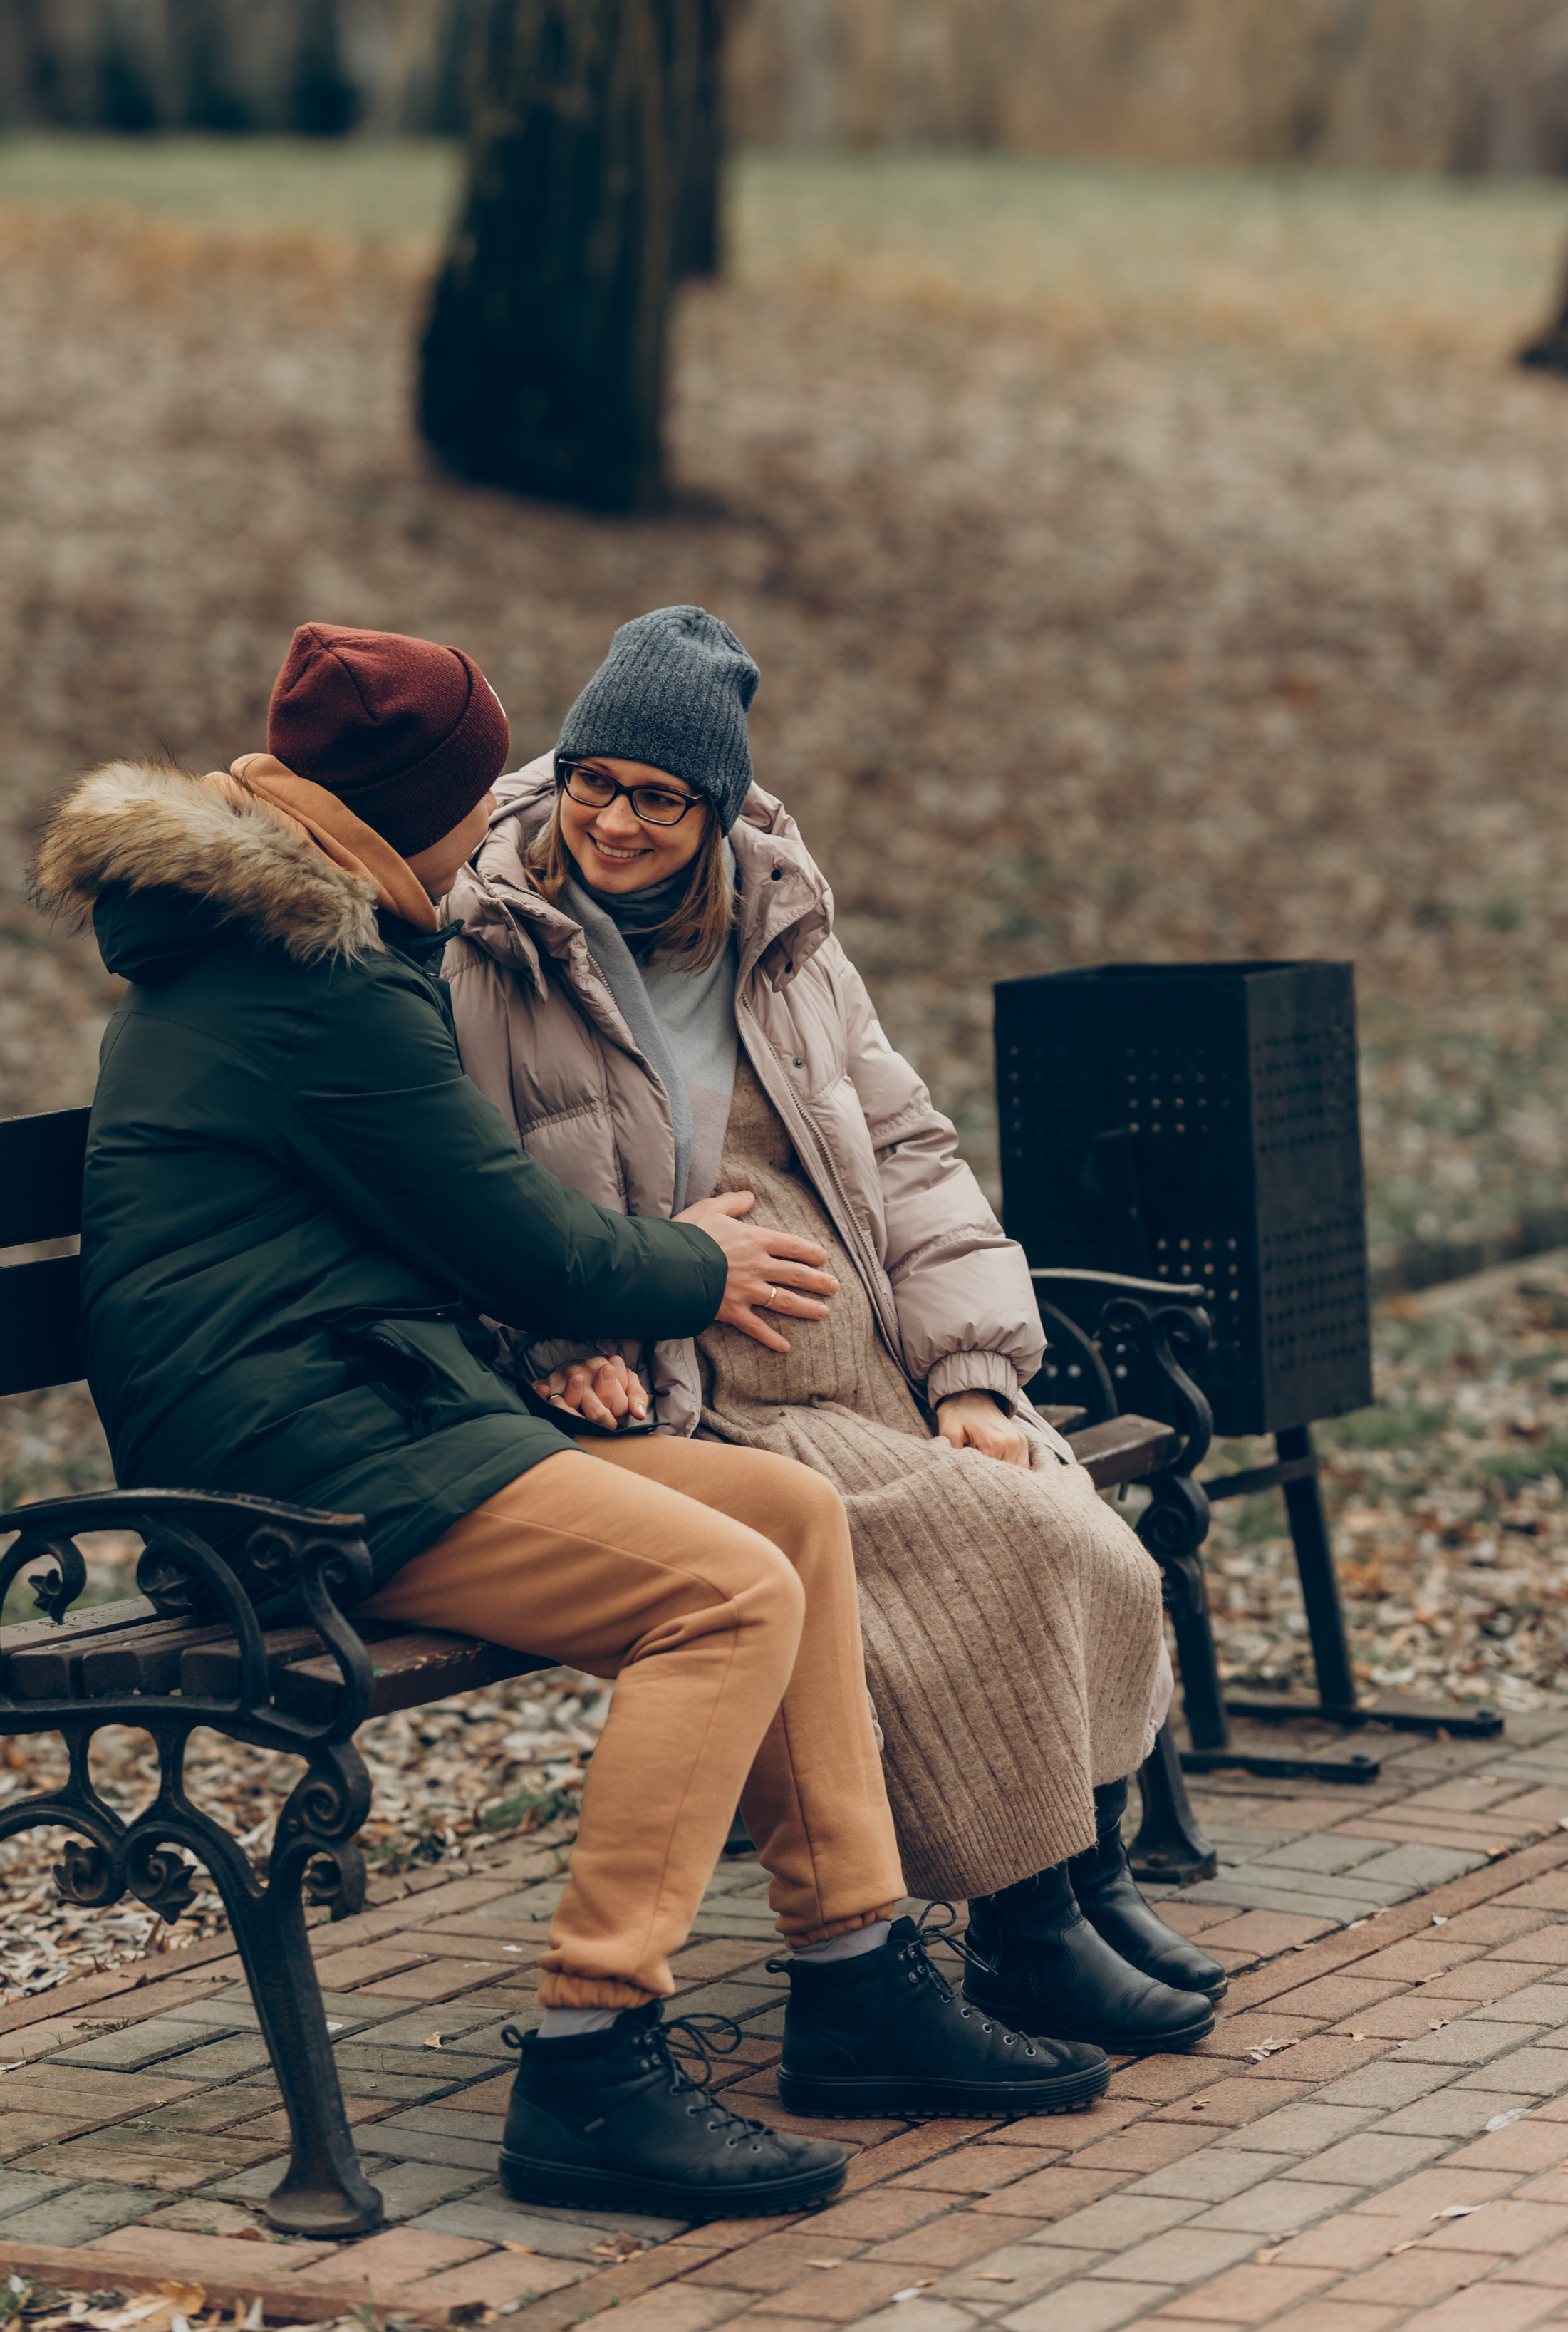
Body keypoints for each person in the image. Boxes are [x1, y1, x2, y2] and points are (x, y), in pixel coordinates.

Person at [33, 621, 1121, 2234]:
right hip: (291, 1466)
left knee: (789, 1514)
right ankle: (590, 2058)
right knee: (722, 1592)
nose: (504, 822)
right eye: (483, 795)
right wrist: (699, 1266)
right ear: (419, 810)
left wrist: (583, 1328)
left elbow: (464, 1231)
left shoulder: (294, 940)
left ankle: (854, 1977)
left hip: (375, 1403)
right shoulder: (311, 983)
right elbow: (527, 1247)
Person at [442, 605, 1225, 2058]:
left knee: (1071, 1525)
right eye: (595, 781)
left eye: (657, 798)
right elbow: (458, 1197)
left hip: (863, 1366)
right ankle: (1029, 1929)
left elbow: (910, 1153)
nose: (613, 821)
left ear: (715, 813)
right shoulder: (487, 941)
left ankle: (1081, 1880)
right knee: (984, 1548)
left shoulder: (781, 930)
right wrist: (559, 1334)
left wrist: (972, 1372)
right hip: (699, 1387)